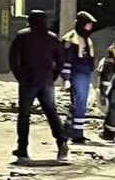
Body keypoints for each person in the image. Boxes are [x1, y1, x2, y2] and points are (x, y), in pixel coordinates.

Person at [8, 10, 69, 164]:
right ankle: (62, 143)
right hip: (46, 79)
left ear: (30, 20)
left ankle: (22, 148)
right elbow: (60, 59)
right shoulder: (52, 38)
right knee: (51, 112)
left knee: (24, 115)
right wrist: (54, 76)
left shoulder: (22, 36)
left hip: (28, 79)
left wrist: (19, 75)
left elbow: (13, 58)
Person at [60, 11, 98, 144]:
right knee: (80, 104)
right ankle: (77, 134)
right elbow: (65, 60)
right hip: (76, 73)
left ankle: (69, 129)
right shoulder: (71, 39)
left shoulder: (86, 39)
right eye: (88, 25)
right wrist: (66, 79)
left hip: (84, 73)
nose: (90, 28)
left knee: (79, 104)